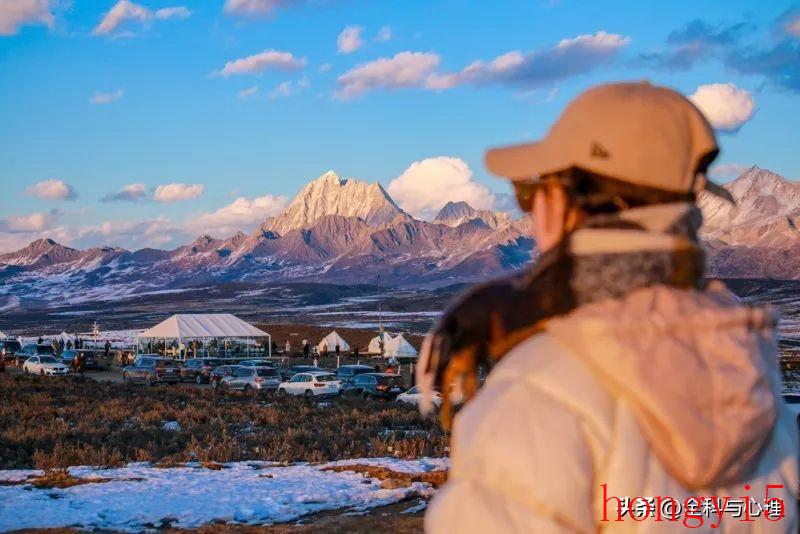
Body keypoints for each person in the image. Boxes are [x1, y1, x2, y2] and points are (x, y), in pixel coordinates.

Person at [418, 82, 798, 531]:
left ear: (565, 206)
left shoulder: (535, 397)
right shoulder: (758, 388)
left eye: (533, 193)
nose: (531, 212)